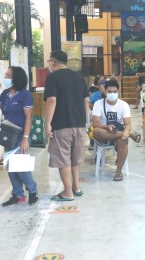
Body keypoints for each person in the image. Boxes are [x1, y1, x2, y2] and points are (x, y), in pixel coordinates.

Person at [0, 66, 38, 206]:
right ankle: (18, 194)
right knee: (10, 165)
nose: (6, 77)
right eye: (6, 74)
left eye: (8, 75)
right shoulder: (5, 93)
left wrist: (25, 138)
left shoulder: (25, 95)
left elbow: (29, 118)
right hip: (8, 135)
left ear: (16, 78)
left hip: (20, 134)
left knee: (20, 166)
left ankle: (32, 190)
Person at [44, 50, 89, 201]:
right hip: (79, 124)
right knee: (75, 158)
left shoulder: (52, 77)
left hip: (61, 124)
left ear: (54, 62)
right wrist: (86, 121)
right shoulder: (79, 77)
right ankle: (77, 187)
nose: (49, 64)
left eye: (50, 61)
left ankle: (67, 193)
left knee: (63, 159)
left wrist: (48, 123)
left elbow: (51, 100)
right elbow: (86, 101)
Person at [92, 80, 141, 181]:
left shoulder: (124, 105)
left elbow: (127, 124)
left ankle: (118, 171)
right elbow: (95, 123)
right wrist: (107, 127)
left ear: (118, 92)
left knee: (123, 141)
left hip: (118, 130)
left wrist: (126, 131)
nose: (112, 94)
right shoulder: (98, 104)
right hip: (104, 133)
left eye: (114, 92)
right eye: (109, 92)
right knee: (96, 131)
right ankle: (129, 134)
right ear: (105, 92)